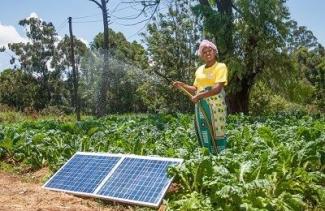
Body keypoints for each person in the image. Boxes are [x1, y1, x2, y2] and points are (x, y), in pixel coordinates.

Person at [173, 39, 228, 154]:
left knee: (216, 130)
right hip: (201, 105)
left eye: (210, 50)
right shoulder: (199, 70)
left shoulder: (221, 67)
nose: (208, 53)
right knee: (204, 130)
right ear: (201, 55)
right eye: (204, 52)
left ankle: (221, 158)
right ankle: (207, 156)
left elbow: (217, 88)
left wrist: (200, 96)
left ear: (215, 52)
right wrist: (182, 85)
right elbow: (195, 88)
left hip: (215, 105)